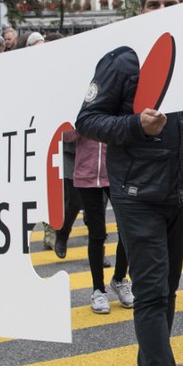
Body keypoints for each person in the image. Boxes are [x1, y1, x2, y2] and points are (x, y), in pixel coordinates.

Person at [75, 0, 183, 366]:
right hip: (136, 194)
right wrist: (137, 126)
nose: (159, 10)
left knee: (167, 293)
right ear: (140, 9)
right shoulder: (123, 58)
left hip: (181, 193)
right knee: (151, 294)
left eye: (168, 3)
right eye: (152, 4)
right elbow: (88, 120)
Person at [63, 128, 134, 313]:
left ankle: (119, 279)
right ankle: (98, 290)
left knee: (126, 229)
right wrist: (87, 121)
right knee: (96, 233)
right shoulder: (83, 105)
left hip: (117, 174)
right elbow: (66, 136)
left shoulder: (114, 101)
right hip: (87, 175)